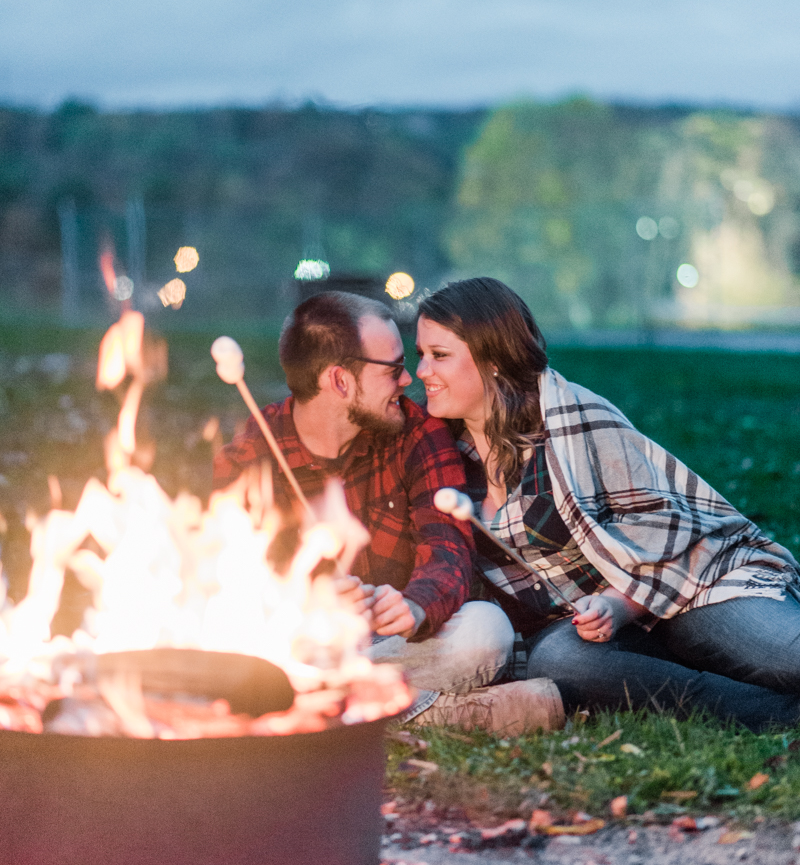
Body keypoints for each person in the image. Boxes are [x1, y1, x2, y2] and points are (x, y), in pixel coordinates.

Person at [416, 276, 800, 732]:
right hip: (584, 630)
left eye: (439, 355)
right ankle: (775, 715)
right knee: (557, 661)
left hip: (689, 589)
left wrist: (618, 606)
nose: (422, 370)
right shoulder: (446, 458)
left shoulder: (574, 420)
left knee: (787, 655)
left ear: (493, 360)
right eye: (421, 354)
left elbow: (666, 530)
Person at [214, 290, 564, 734]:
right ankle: (436, 713)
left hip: (394, 644)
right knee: (248, 657)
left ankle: (316, 707)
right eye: (394, 369)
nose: (409, 380)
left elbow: (448, 549)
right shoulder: (251, 456)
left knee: (485, 631)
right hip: (300, 647)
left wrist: (417, 607)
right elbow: (233, 587)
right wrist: (309, 604)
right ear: (340, 381)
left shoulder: (418, 433)